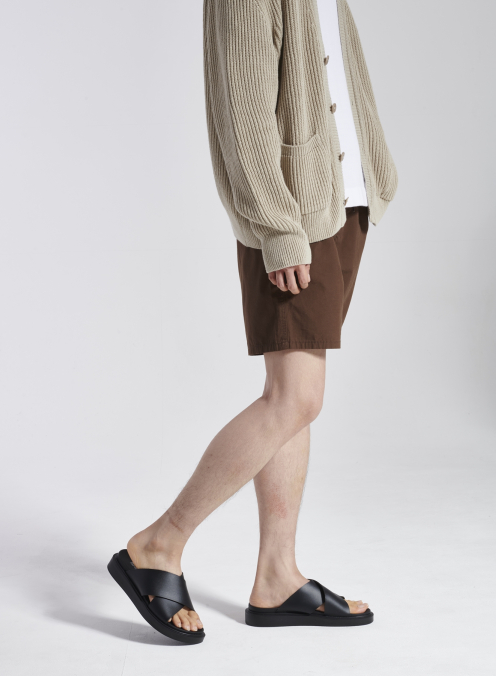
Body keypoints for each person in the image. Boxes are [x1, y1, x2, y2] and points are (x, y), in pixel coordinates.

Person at [108, 0, 398, 645]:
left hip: (341, 200)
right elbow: (243, 114)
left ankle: (276, 578)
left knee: (291, 400)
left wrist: (374, 169)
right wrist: (274, 226)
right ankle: (159, 543)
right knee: (296, 399)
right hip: (293, 215)